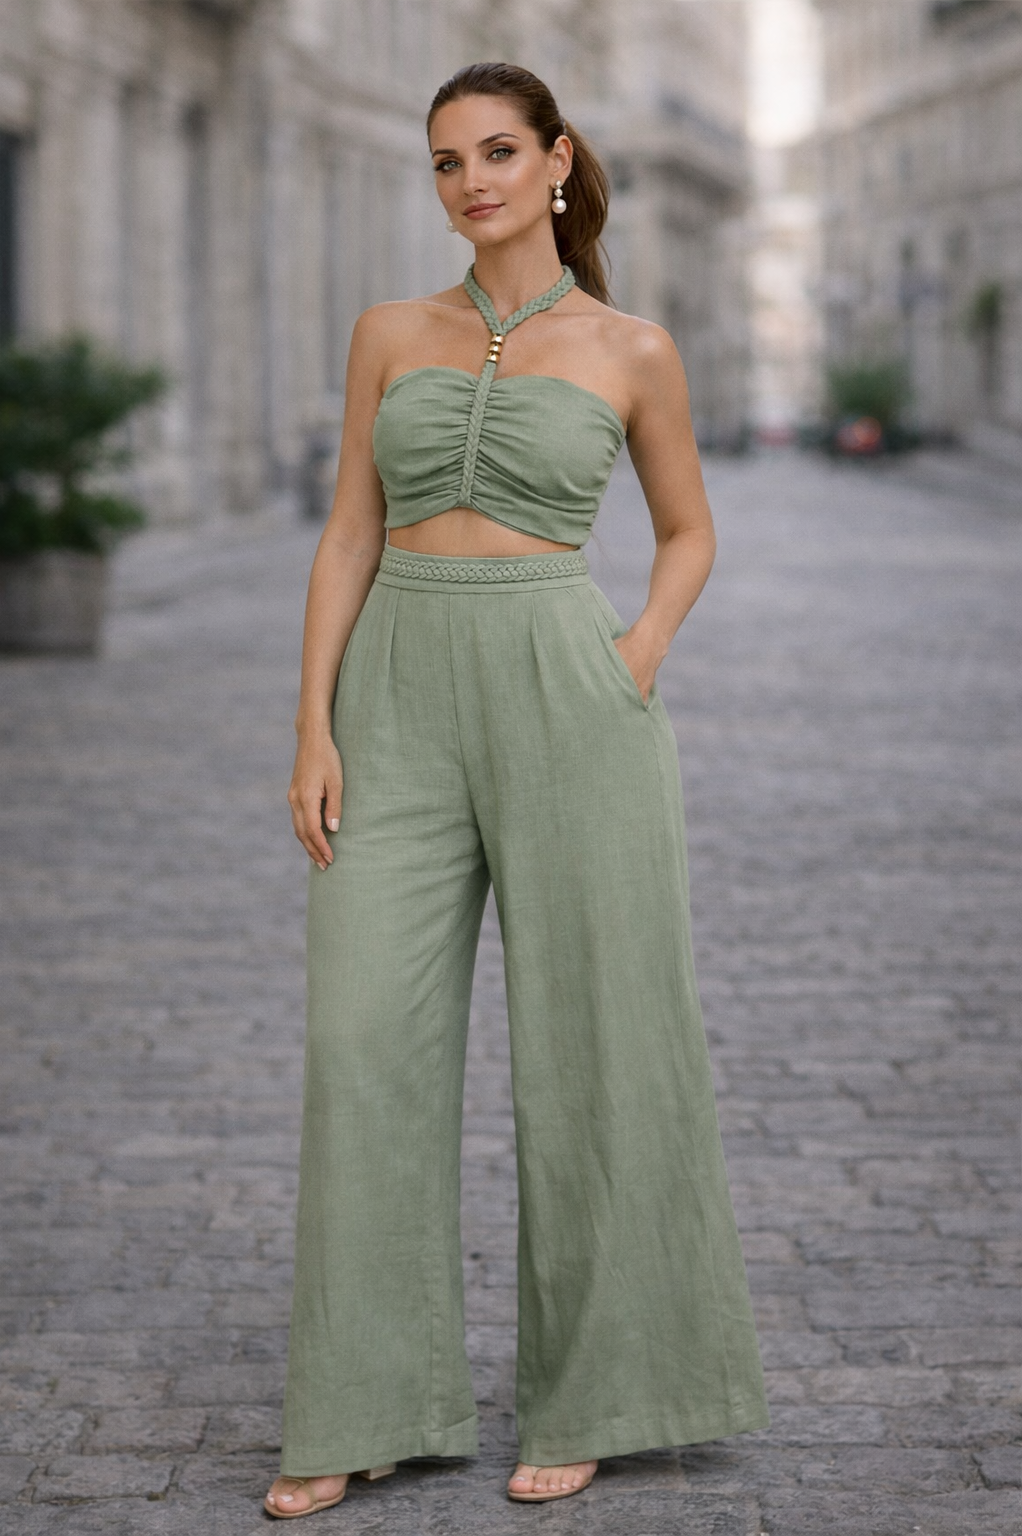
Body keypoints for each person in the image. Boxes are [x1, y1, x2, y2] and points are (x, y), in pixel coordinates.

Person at [264, 61, 768, 1521]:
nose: (470, 180)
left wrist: (638, 658)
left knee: (601, 1047)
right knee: (363, 1043)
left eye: (496, 151)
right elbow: (349, 535)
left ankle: (604, 1392)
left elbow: (688, 528)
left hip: (570, 689)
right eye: (444, 162)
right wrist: (314, 723)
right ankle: (361, 1400)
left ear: (558, 161)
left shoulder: (634, 347)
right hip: (398, 694)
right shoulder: (387, 334)